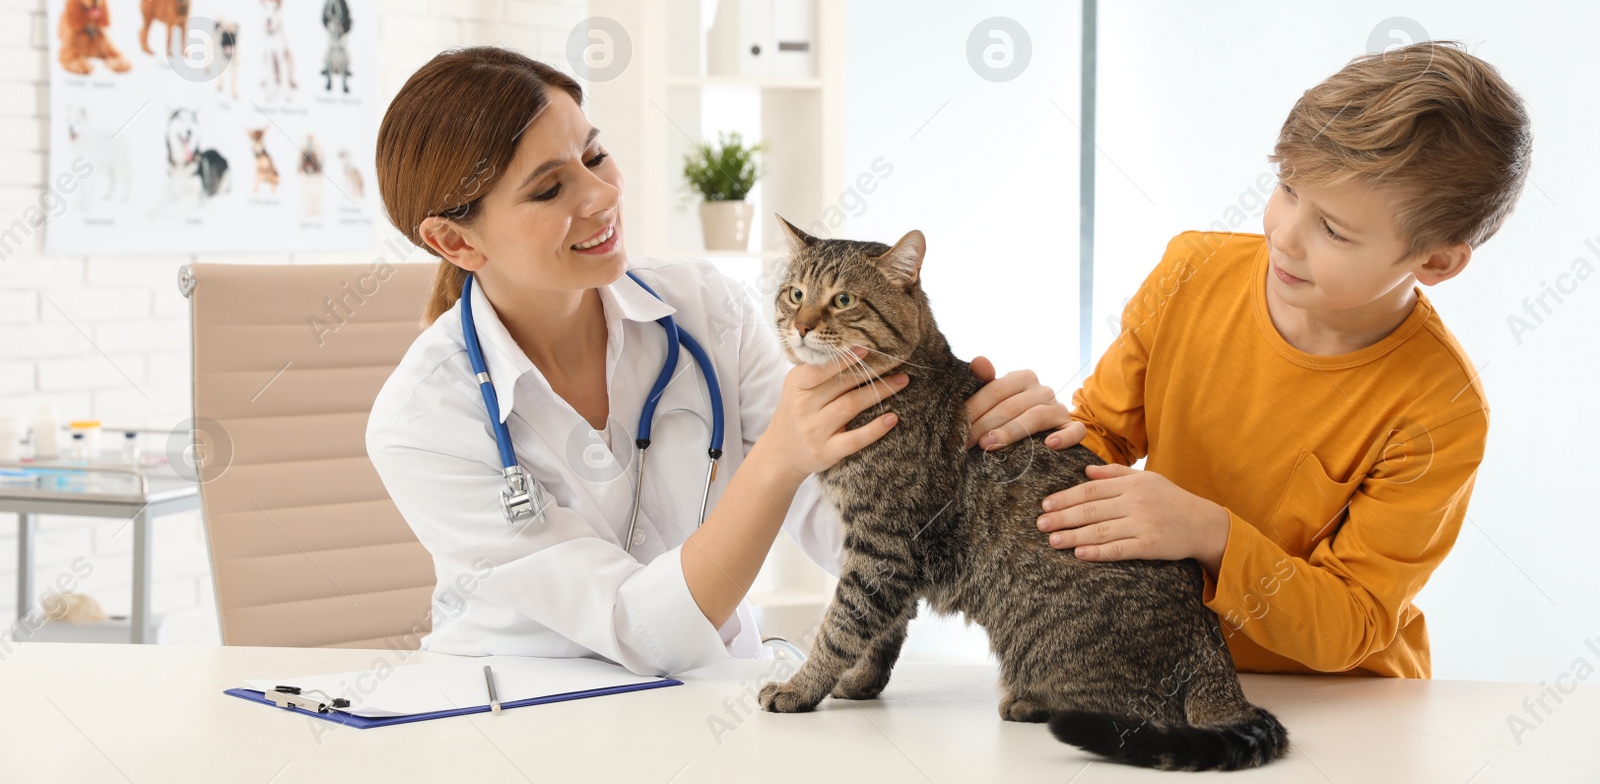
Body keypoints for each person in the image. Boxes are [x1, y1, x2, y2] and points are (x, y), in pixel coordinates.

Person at [366, 45, 1074, 677]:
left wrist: (968, 463)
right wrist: (777, 459)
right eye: (551, 188)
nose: (603, 193)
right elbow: (639, 629)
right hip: (514, 716)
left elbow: (847, 529)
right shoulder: (422, 418)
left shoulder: (701, 308)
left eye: (594, 155)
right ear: (455, 242)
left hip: (713, 701)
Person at [1003, 41, 1532, 677]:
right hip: (1169, 672)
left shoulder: (1440, 409)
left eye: (1333, 230)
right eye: (1286, 188)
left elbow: (1354, 622)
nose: (1283, 234)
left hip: (1350, 708)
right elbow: (1102, 440)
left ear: (1436, 262)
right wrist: (1024, 445)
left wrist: (1210, 533)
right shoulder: (1190, 272)